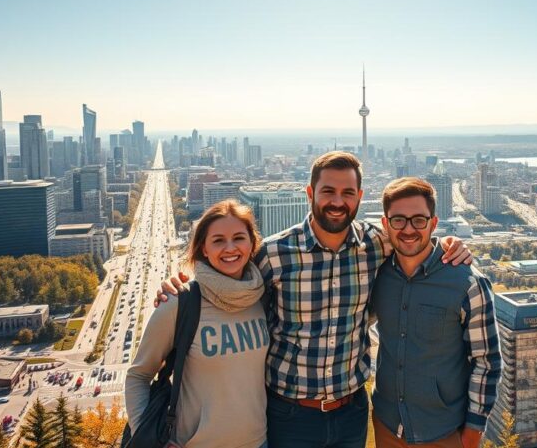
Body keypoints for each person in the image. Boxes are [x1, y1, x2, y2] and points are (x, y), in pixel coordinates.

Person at [156, 151, 473, 448]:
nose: (338, 202)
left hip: (352, 411)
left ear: (360, 198)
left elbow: (415, 237)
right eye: (328, 192)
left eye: (348, 193)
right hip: (290, 415)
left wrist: (449, 243)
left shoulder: (377, 244)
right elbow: (234, 289)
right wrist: (184, 285)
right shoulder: (275, 253)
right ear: (310, 194)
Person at [371, 178, 500, 448]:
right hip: (386, 427)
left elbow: (486, 363)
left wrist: (472, 434)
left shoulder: (468, 284)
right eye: (398, 220)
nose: (408, 229)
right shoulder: (376, 275)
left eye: (419, 220)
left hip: (443, 433)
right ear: (385, 224)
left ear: (434, 222)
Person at [127, 200, 268, 448]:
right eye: (218, 240)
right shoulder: (180, 303)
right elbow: (138, 374)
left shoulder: (262, 298)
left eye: (239, 238)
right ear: (203, 248)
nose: (230, 248)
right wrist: (148, 438)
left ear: (252, 243)